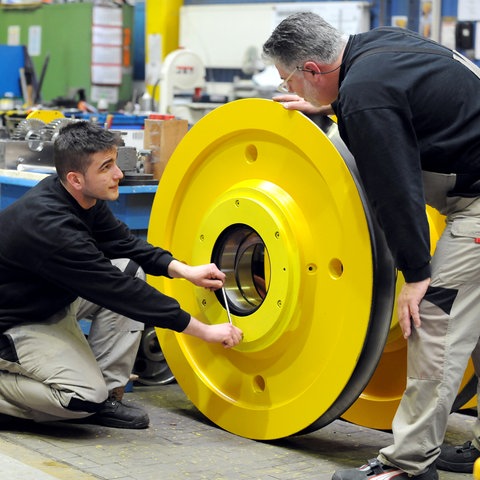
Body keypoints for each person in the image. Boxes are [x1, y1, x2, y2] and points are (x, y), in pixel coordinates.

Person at [263, 11, 480, 480]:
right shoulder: (378, 46)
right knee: (475, 319)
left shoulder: (364, 95)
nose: (292, 92)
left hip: (477, 207)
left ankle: (408, 465)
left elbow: (394, 190)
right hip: (471, 188)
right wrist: (339, 108)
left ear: (314, 70)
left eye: (291, 81)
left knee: (434, 322)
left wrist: (416, 275)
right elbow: (401, 105)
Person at [0, 121, 243, 430]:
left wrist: (185, 271)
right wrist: (204, 331)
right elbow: (118, 291)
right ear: (76, 178)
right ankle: (90, 401)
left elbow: (125, 244)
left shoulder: (78, 197)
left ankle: (108, 398)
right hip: (14, 321)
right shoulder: (51, 227)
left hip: (43, 301)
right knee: (81, 399)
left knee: (130, 269)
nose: (118, 174)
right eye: (106, 167)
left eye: (114, 162)